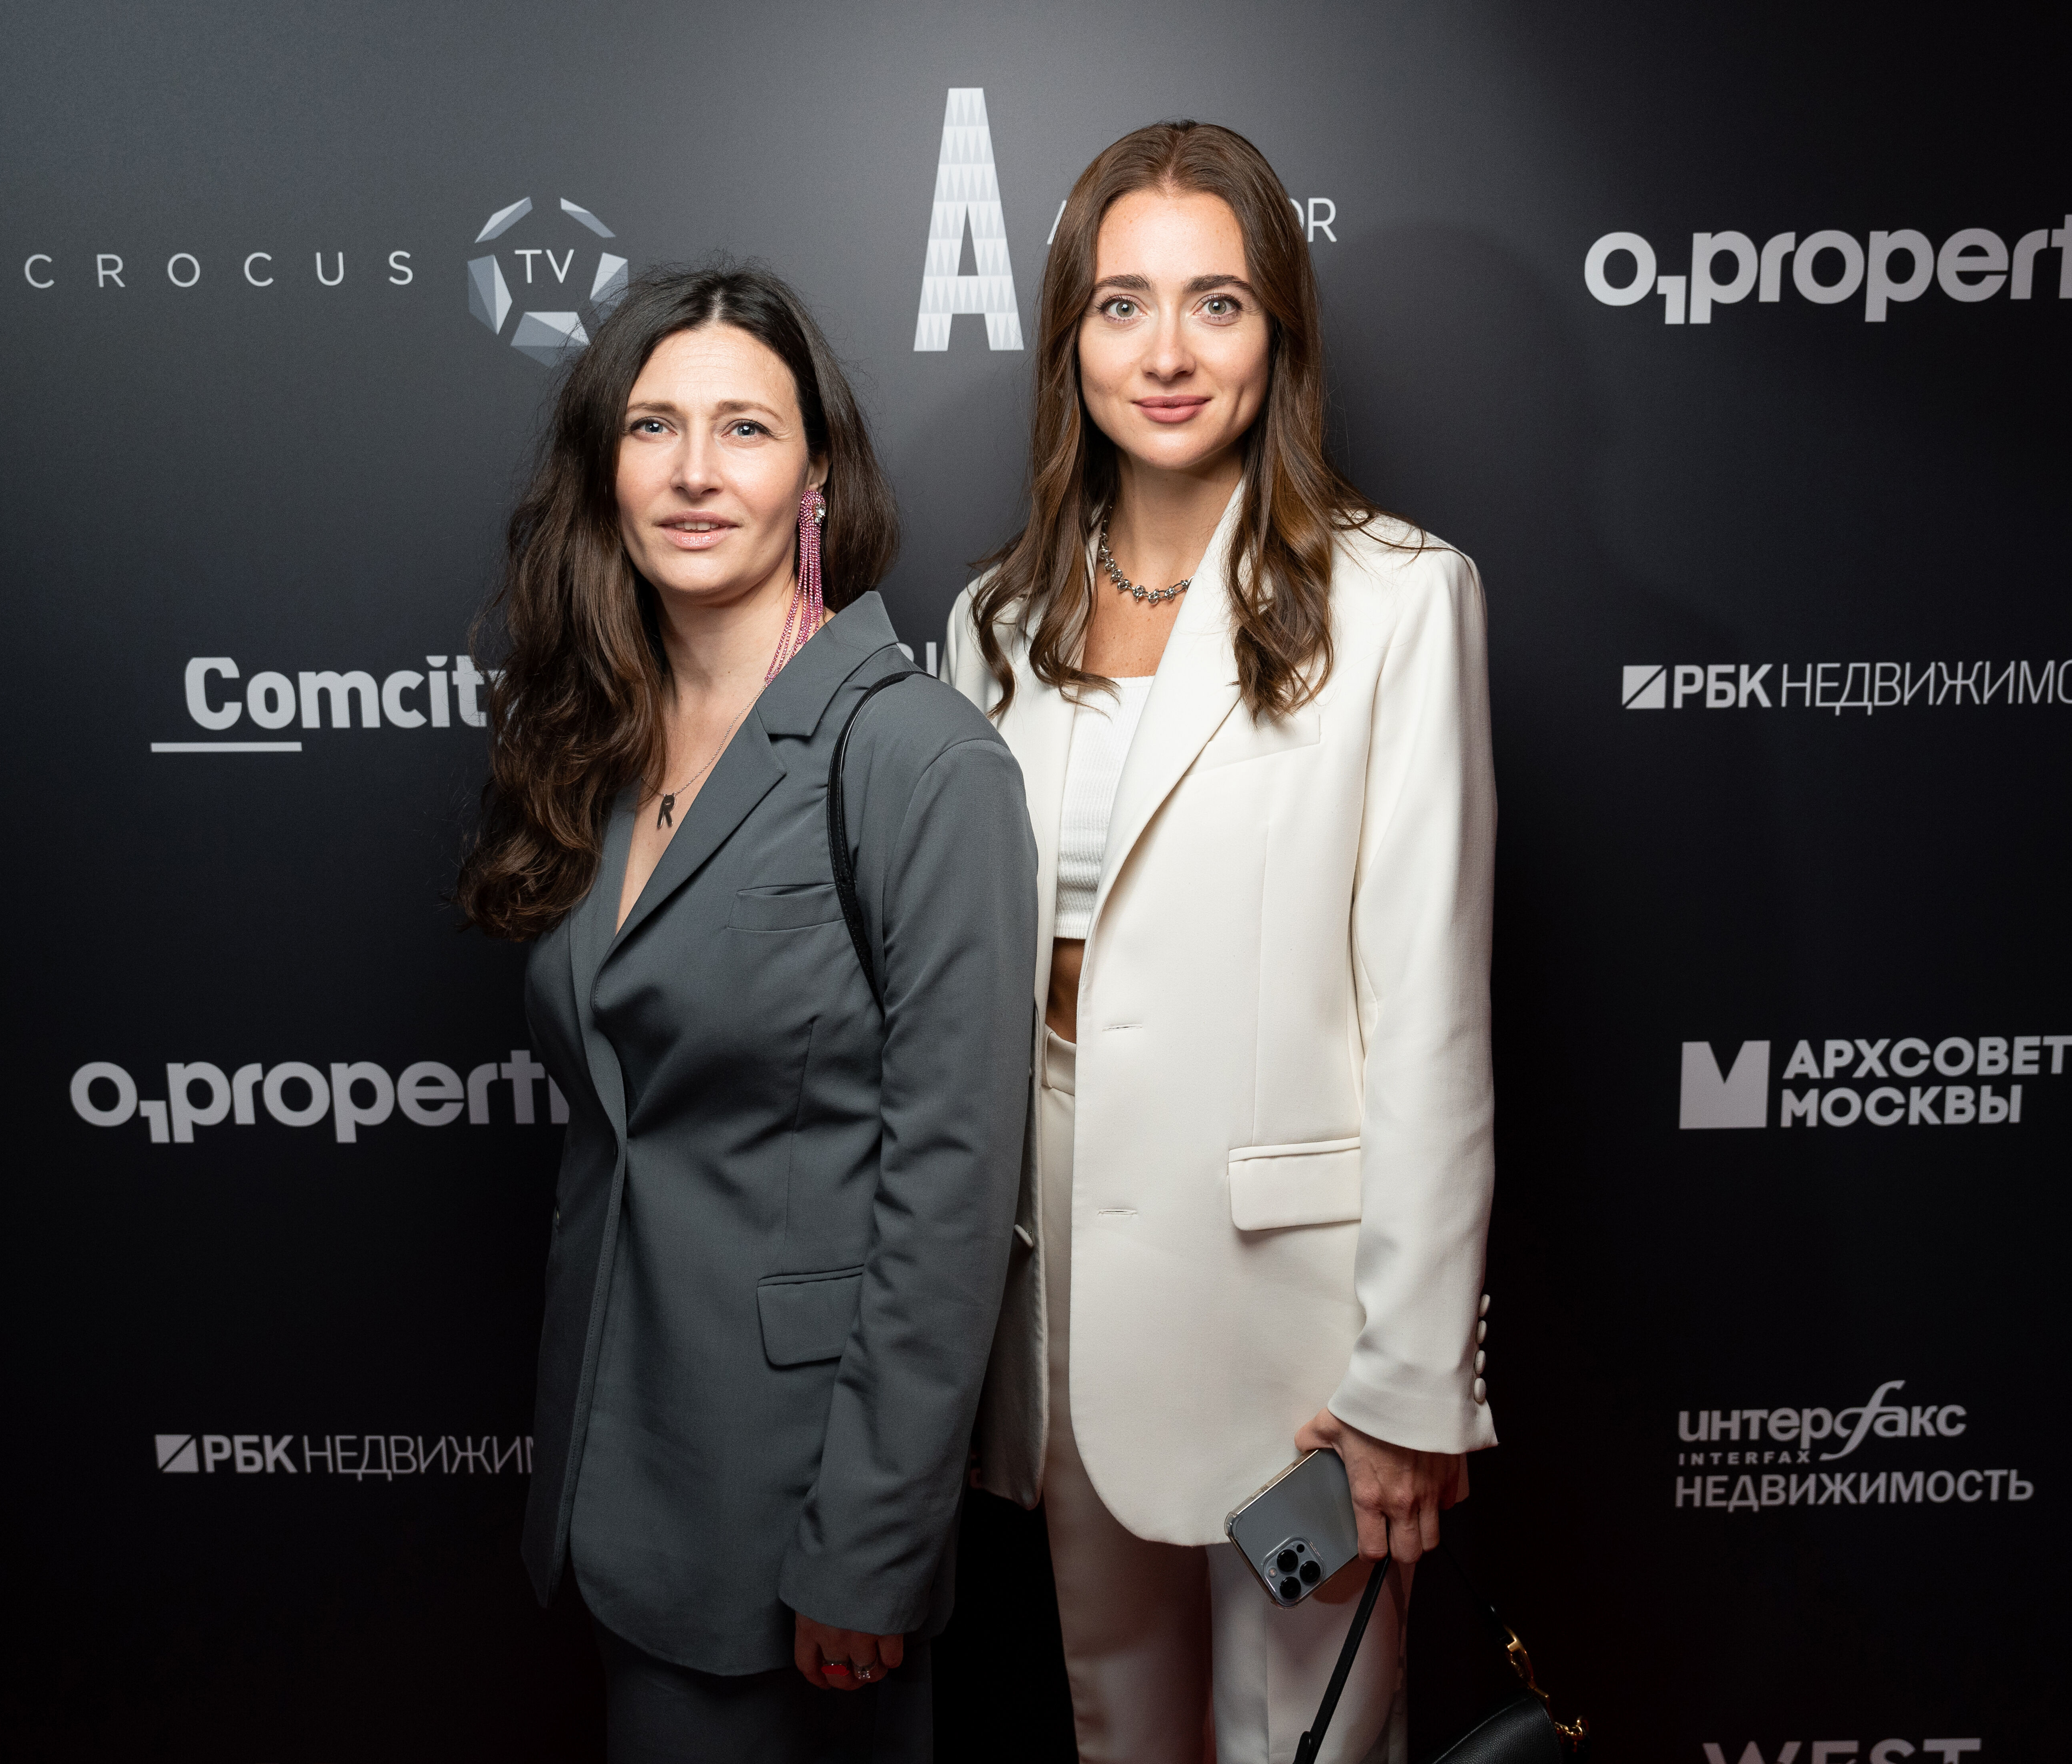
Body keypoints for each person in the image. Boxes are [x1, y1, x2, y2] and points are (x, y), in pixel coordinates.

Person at [941, 122, 1499, 1764]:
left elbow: (1433, 1022)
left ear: (1280, 334)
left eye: (1218, 302)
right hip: (1062, 1305)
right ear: (1071, 337)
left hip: (1297, 1324)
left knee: (1305, 1743)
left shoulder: (1400, 599)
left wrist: (1412, 1381)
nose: (1167, 352)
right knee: (1120, 1730)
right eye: (1123, 304)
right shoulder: (992, 620)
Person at [458, 263, 1037, 1764]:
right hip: (618, 1475)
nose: (695, 472)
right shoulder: (595, 740)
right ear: (605, 468)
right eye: (653, 426)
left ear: (816, 475)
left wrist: (871, 1547)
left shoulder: (917, 760)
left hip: (796, 1513)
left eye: (746, 429)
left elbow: (952, 1193)